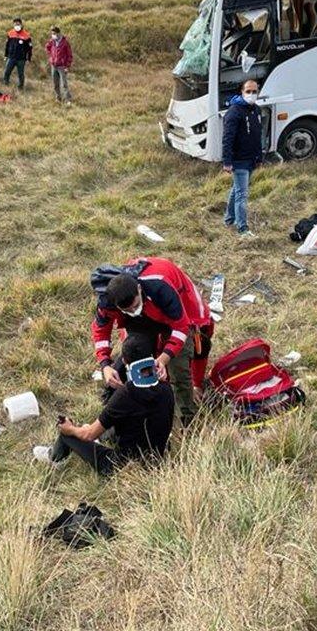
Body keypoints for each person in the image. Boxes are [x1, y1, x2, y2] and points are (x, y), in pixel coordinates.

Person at [91, 257, 213, 425]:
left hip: (178, 308)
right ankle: (144, 402)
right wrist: (105, 365)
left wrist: (164, 358)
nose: (134, 311)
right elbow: (101, 331)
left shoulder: (161, 288)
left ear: (139, 289)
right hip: (145, 313)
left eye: (135, 306)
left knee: (179, 367)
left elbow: (181, 327)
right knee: (136, 350)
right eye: (127, 310)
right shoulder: (108, 302)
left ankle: (186, 420)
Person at [39, 334, 174, 475]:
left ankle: (54, 459)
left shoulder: (125, 394)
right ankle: (96, 437)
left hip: (122, 467)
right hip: (156, 459)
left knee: (67, 434)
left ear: (124, 361)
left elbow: (88, 435)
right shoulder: (167, 388)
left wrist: (71, 429)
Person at [222, 79, 264, 238]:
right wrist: (227, 161)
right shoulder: (234, 112)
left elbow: (257, 136)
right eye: (248, 91)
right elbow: (227, 138)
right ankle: (243, 228)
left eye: (254, 91)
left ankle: (229, 219)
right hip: (239, 160)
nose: (252, 94)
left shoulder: (256, 110)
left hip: (251, 159)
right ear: (241, 92)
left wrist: (259, 157)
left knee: (237, 190)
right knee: (242, 194)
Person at [44, 25, 73, 103]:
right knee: (55, 83)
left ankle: (68, 99)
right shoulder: (52, 41)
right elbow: (47, 47)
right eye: (52, 33)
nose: (53, 35)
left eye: (54, 33)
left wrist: (67, 66)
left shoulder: (65, 43)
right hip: (54, 65)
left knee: (64, 84)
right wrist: (51, 57)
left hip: (62, 66)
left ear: (58, 33)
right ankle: (58, 98)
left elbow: (69, 55)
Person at [3, 17, 32, 90]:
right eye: (15, 24)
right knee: (7, 72)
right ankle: (6, 84)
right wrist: (6, 55)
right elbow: (7, 45)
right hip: (11, 57)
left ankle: (20, 87)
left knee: (21, 74)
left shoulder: (26, 35)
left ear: (21, 25)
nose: (17, 26)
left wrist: (29, 58)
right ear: (13, 25)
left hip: (21, 59)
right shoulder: (10, 33)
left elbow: (29, 48)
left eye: (18, 24)